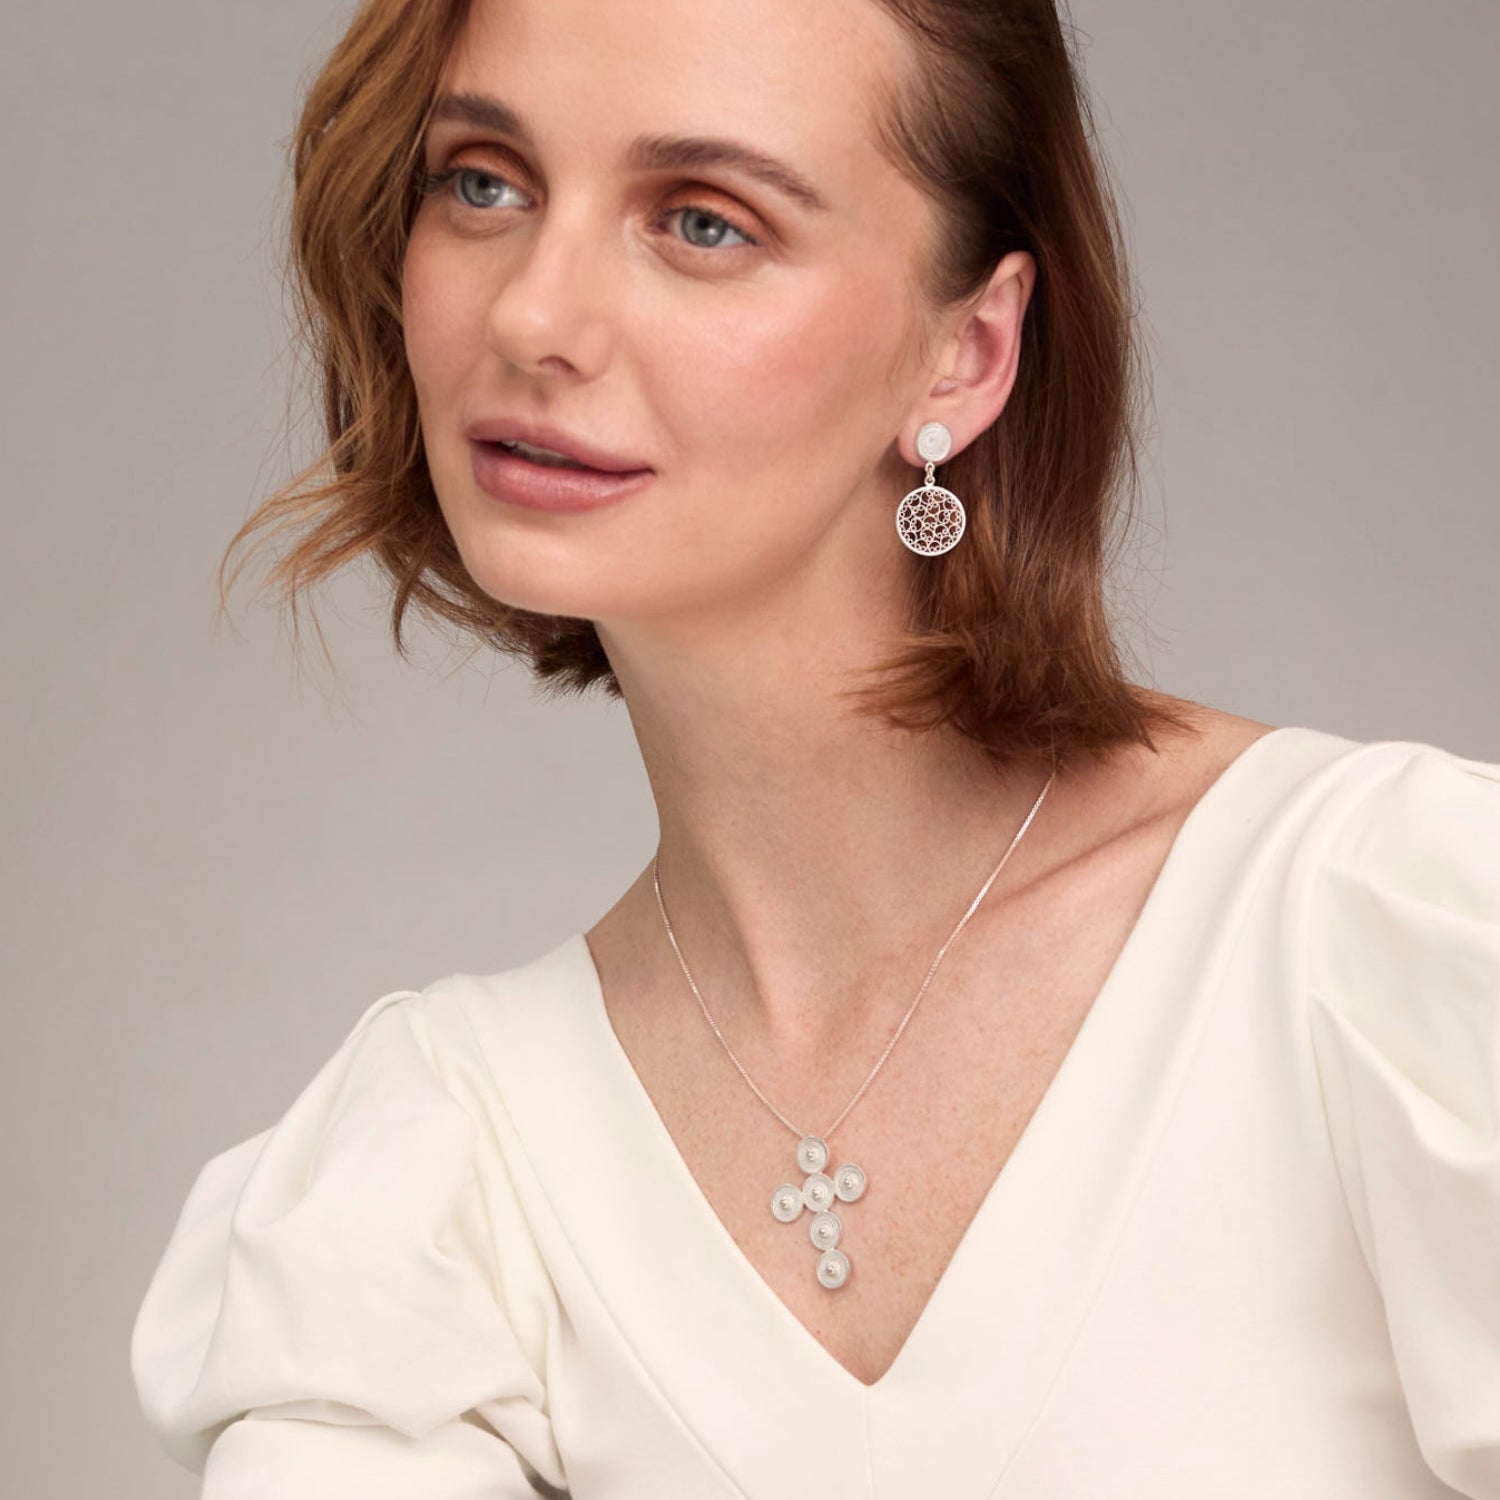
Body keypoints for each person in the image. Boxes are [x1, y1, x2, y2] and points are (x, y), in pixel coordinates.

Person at [129, 0, 1500, 1494]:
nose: (531, 317)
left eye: (704, 222)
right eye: (485, 183)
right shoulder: (437, 1181)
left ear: (965, 355)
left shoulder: (1378, 945)